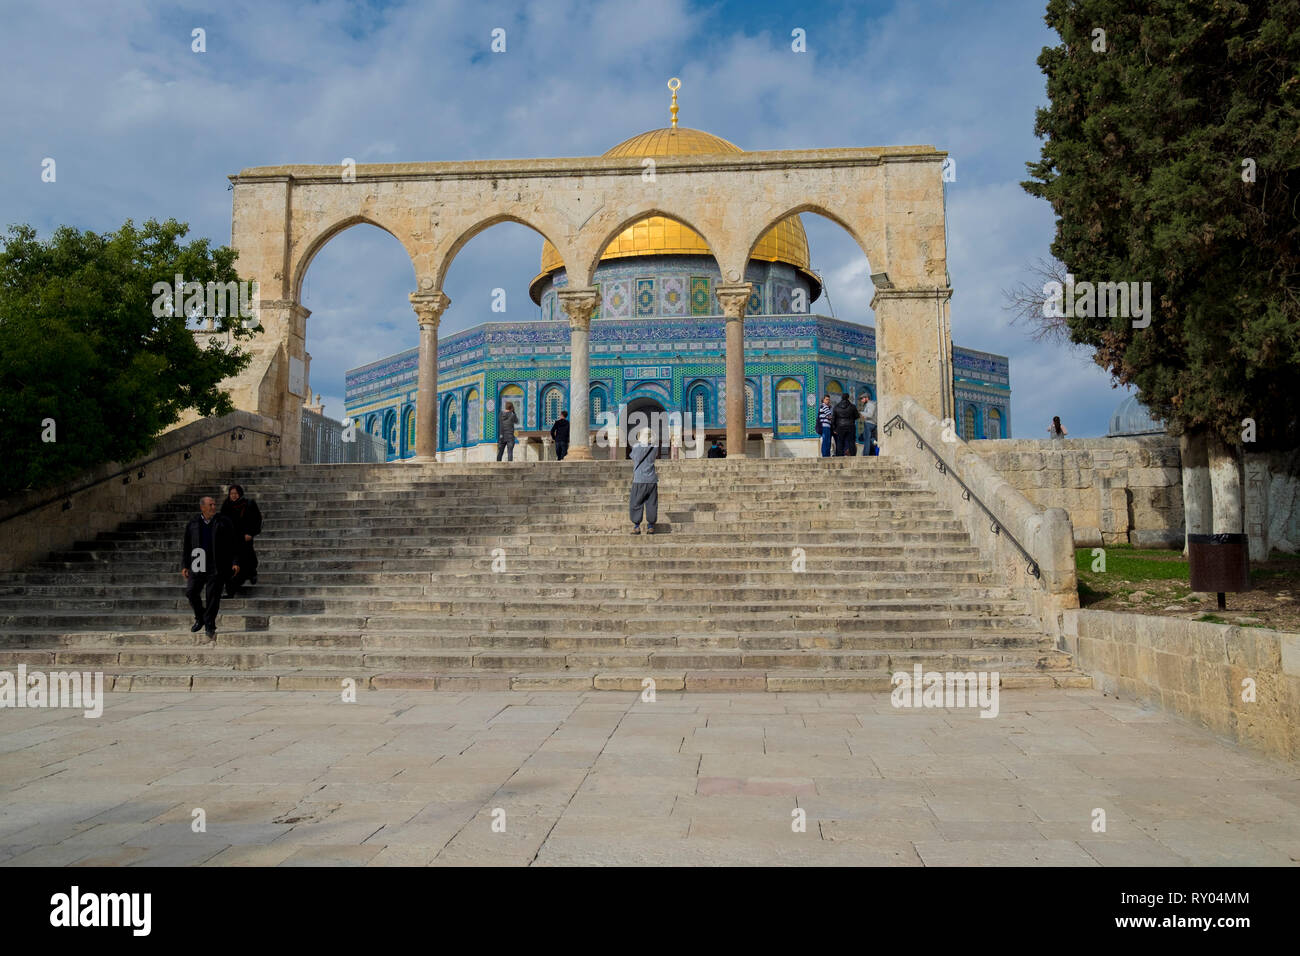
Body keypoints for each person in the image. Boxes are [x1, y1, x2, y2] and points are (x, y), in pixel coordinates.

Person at [181, 495, 239, 640]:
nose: (214, 507)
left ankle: (209, 625)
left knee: (212, 596)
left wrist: (235, 561)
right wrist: (185, 565)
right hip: (197, 562)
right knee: (191, 592)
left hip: (217, 564)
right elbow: (187, 546)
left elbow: (234, 543)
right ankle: (200, 617)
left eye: (214, 504)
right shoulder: (193, 523)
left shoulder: (224, 522)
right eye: (210, 505)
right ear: (202, 507)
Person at [219, 483, 262, 598]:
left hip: (244, 539)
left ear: (240, 494)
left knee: (246, 560)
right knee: (230, 564)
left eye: (235, 493)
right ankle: (230, 591)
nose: (233, 496)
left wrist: (251, 533)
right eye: (231, 493)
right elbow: (221, 522)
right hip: (231, 540)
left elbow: (257, 520)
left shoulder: (249, 504)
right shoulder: (226, 506)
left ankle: (251, 573)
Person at [629, 426, 658, 534]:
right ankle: (650, 526)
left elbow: (633, 457)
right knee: (652, 503)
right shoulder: (654, 448)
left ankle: (637, 526)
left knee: (636, 503)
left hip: (639, 479)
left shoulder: (636, 447)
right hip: (652, 480)